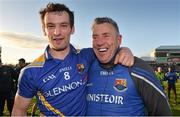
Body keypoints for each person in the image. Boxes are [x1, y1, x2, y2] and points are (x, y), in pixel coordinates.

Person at [12, 3, 134, 116]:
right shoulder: (31, 72)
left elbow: (106, 48)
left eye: (63, 25)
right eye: (50, 26)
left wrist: (124, 49)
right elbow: (19, 109)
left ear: (72, 29)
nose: (57, 32)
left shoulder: (87, 55)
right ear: (44, 30)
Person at [86, 17, 172, 116]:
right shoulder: (87, 66)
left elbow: (163, 113)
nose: (99, 42)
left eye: (106, 36)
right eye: (95, 37)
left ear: (119, 40)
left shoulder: (138, 68)